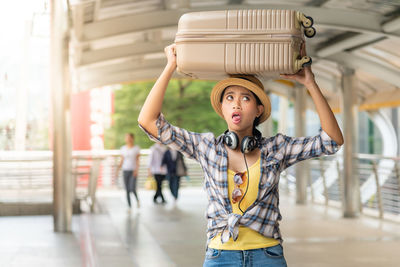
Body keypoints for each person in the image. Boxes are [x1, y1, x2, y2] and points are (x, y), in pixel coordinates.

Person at [138, 43, 344, 266]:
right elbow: (148, 121)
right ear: (222, 108)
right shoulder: (206, 147)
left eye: (246, 98)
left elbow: (331, 140)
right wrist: (170, 66)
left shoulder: (276, 148)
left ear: (258, 110)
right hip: (220, 255)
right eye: (229, 98)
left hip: (268, 255)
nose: (236, 103)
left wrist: (310, 83)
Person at [116, 133, 141, 209]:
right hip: (125, 170)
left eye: (129, 137)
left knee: (132, 188)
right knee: (127, 189)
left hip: (133, 170)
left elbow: (137, 160)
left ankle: (137, 200)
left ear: (132, 138)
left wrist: (136, 170)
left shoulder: (136, 148)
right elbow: (122, 160)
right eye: (126, 137)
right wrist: (117, 170)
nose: (128, 139)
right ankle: (129, 206)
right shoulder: (123, 148)